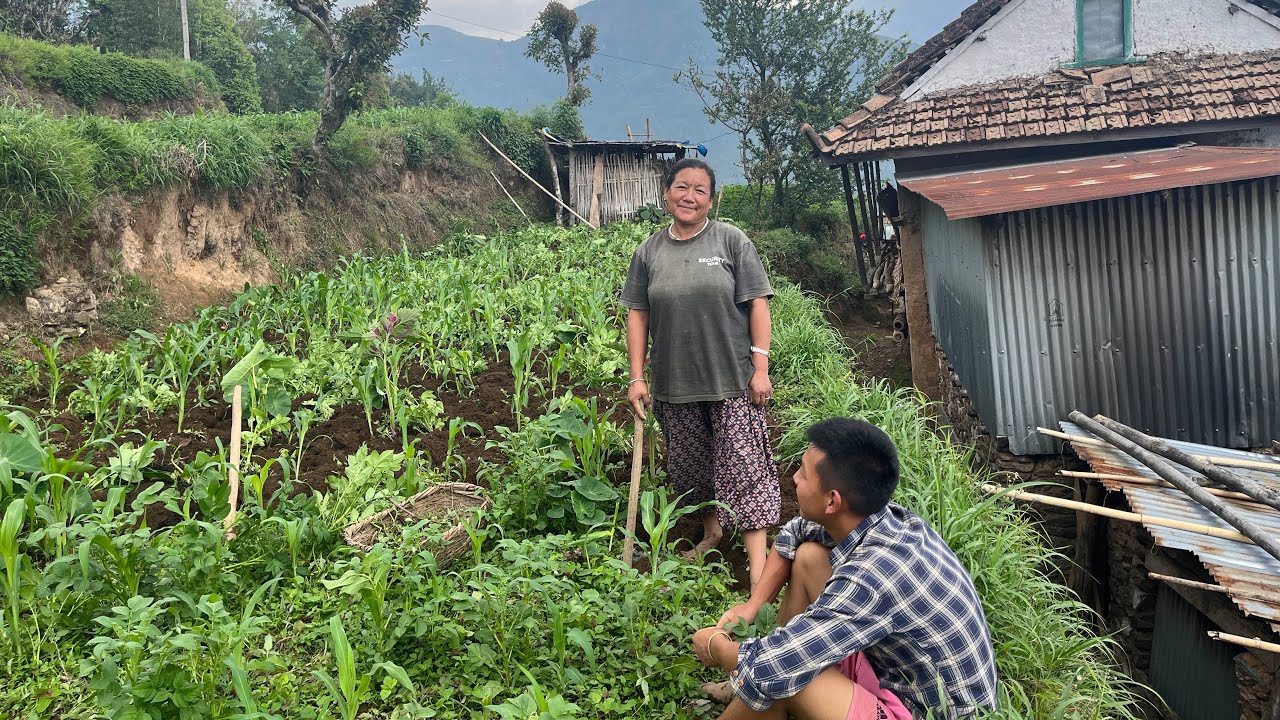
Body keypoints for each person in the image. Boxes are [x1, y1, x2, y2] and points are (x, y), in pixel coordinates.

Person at [690, 418, 998, 720]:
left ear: (832, 502)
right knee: (810, 557)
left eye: (803, 473)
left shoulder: (873, 576)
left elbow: (776, 668)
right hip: (896, 675)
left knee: (789, 678)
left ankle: (747, 680)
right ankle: (746, 680)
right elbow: (794, 534)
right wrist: (753, 606)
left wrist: (717, 648)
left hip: (927, 711)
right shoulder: (885, 520)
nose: (795, 478)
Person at [620, 157, 779, 589]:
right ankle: (712, 533)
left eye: (700, 190)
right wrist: (637, 377)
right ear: (666, 193)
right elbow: (638, 314)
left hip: (731, 380)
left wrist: (760, 366)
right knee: (691, 469)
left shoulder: (731, 241)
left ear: (712, 199)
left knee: (745, 471)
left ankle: (758, 567)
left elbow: (758, 303)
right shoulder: (649, 251)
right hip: (674, 385)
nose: (689, 196)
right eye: (681, 187)